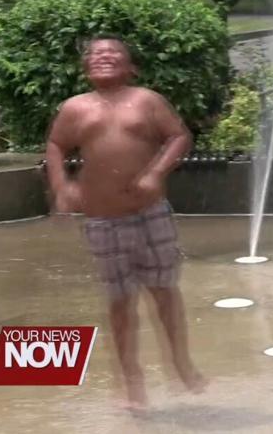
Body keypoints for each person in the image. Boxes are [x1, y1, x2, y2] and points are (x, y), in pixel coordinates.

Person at [45, 34, 206, 411]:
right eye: (96, 53)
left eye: (113, 52)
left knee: (164, 290)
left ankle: (179, 360)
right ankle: (130, 374)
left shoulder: (146, 101)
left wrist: (156, 172)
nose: (104, 56)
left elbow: (179, 136)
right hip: (103, 219)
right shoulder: (75, 108)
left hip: (149, 213)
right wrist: (61, 185)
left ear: (130, 66)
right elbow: (55, 146)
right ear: (86, 67)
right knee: (120, 301)